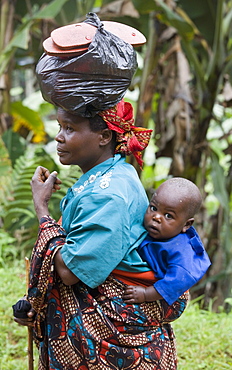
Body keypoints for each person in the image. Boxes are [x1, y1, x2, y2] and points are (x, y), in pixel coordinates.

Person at [13, 13, 189, 370]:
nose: (59, 137)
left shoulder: (109, 193)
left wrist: (42, 209)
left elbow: (69, 270)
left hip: (115, 349)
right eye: (59, 125)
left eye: (70, 127)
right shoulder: (106, 176)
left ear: (104, 136)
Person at [123, 178, 211, 305]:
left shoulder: (182, 253)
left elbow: (175, 283)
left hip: (166, 297)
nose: (156, 217)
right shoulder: (151, 228)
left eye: (168, 216)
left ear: (186, 225)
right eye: (153, 208)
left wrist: (145, 294)